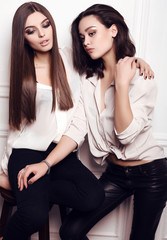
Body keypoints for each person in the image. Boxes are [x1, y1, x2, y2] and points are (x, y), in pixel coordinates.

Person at [17, 3, 167, 240]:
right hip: (115, 172)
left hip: (152, 173)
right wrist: (45, 164)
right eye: (82, 36)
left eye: (92, 33)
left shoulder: (141, 77)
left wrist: (122, 84)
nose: (86, 41)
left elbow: (125, 134)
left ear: (113, 30)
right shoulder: (89, 82)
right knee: (70, 231)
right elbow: (77, 128)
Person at [0, 2, 107, 240]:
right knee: (33, 216)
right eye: (31, 31)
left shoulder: (70, 57)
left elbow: (106, 57)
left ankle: (35, 194)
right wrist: (5, 169)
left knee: (93, 197)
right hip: (25, 152)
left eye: (45, 25)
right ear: (23, 38)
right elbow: (17, 128)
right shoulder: (23, 71)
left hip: (59, 152)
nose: (41, 34)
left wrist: (133, 60)